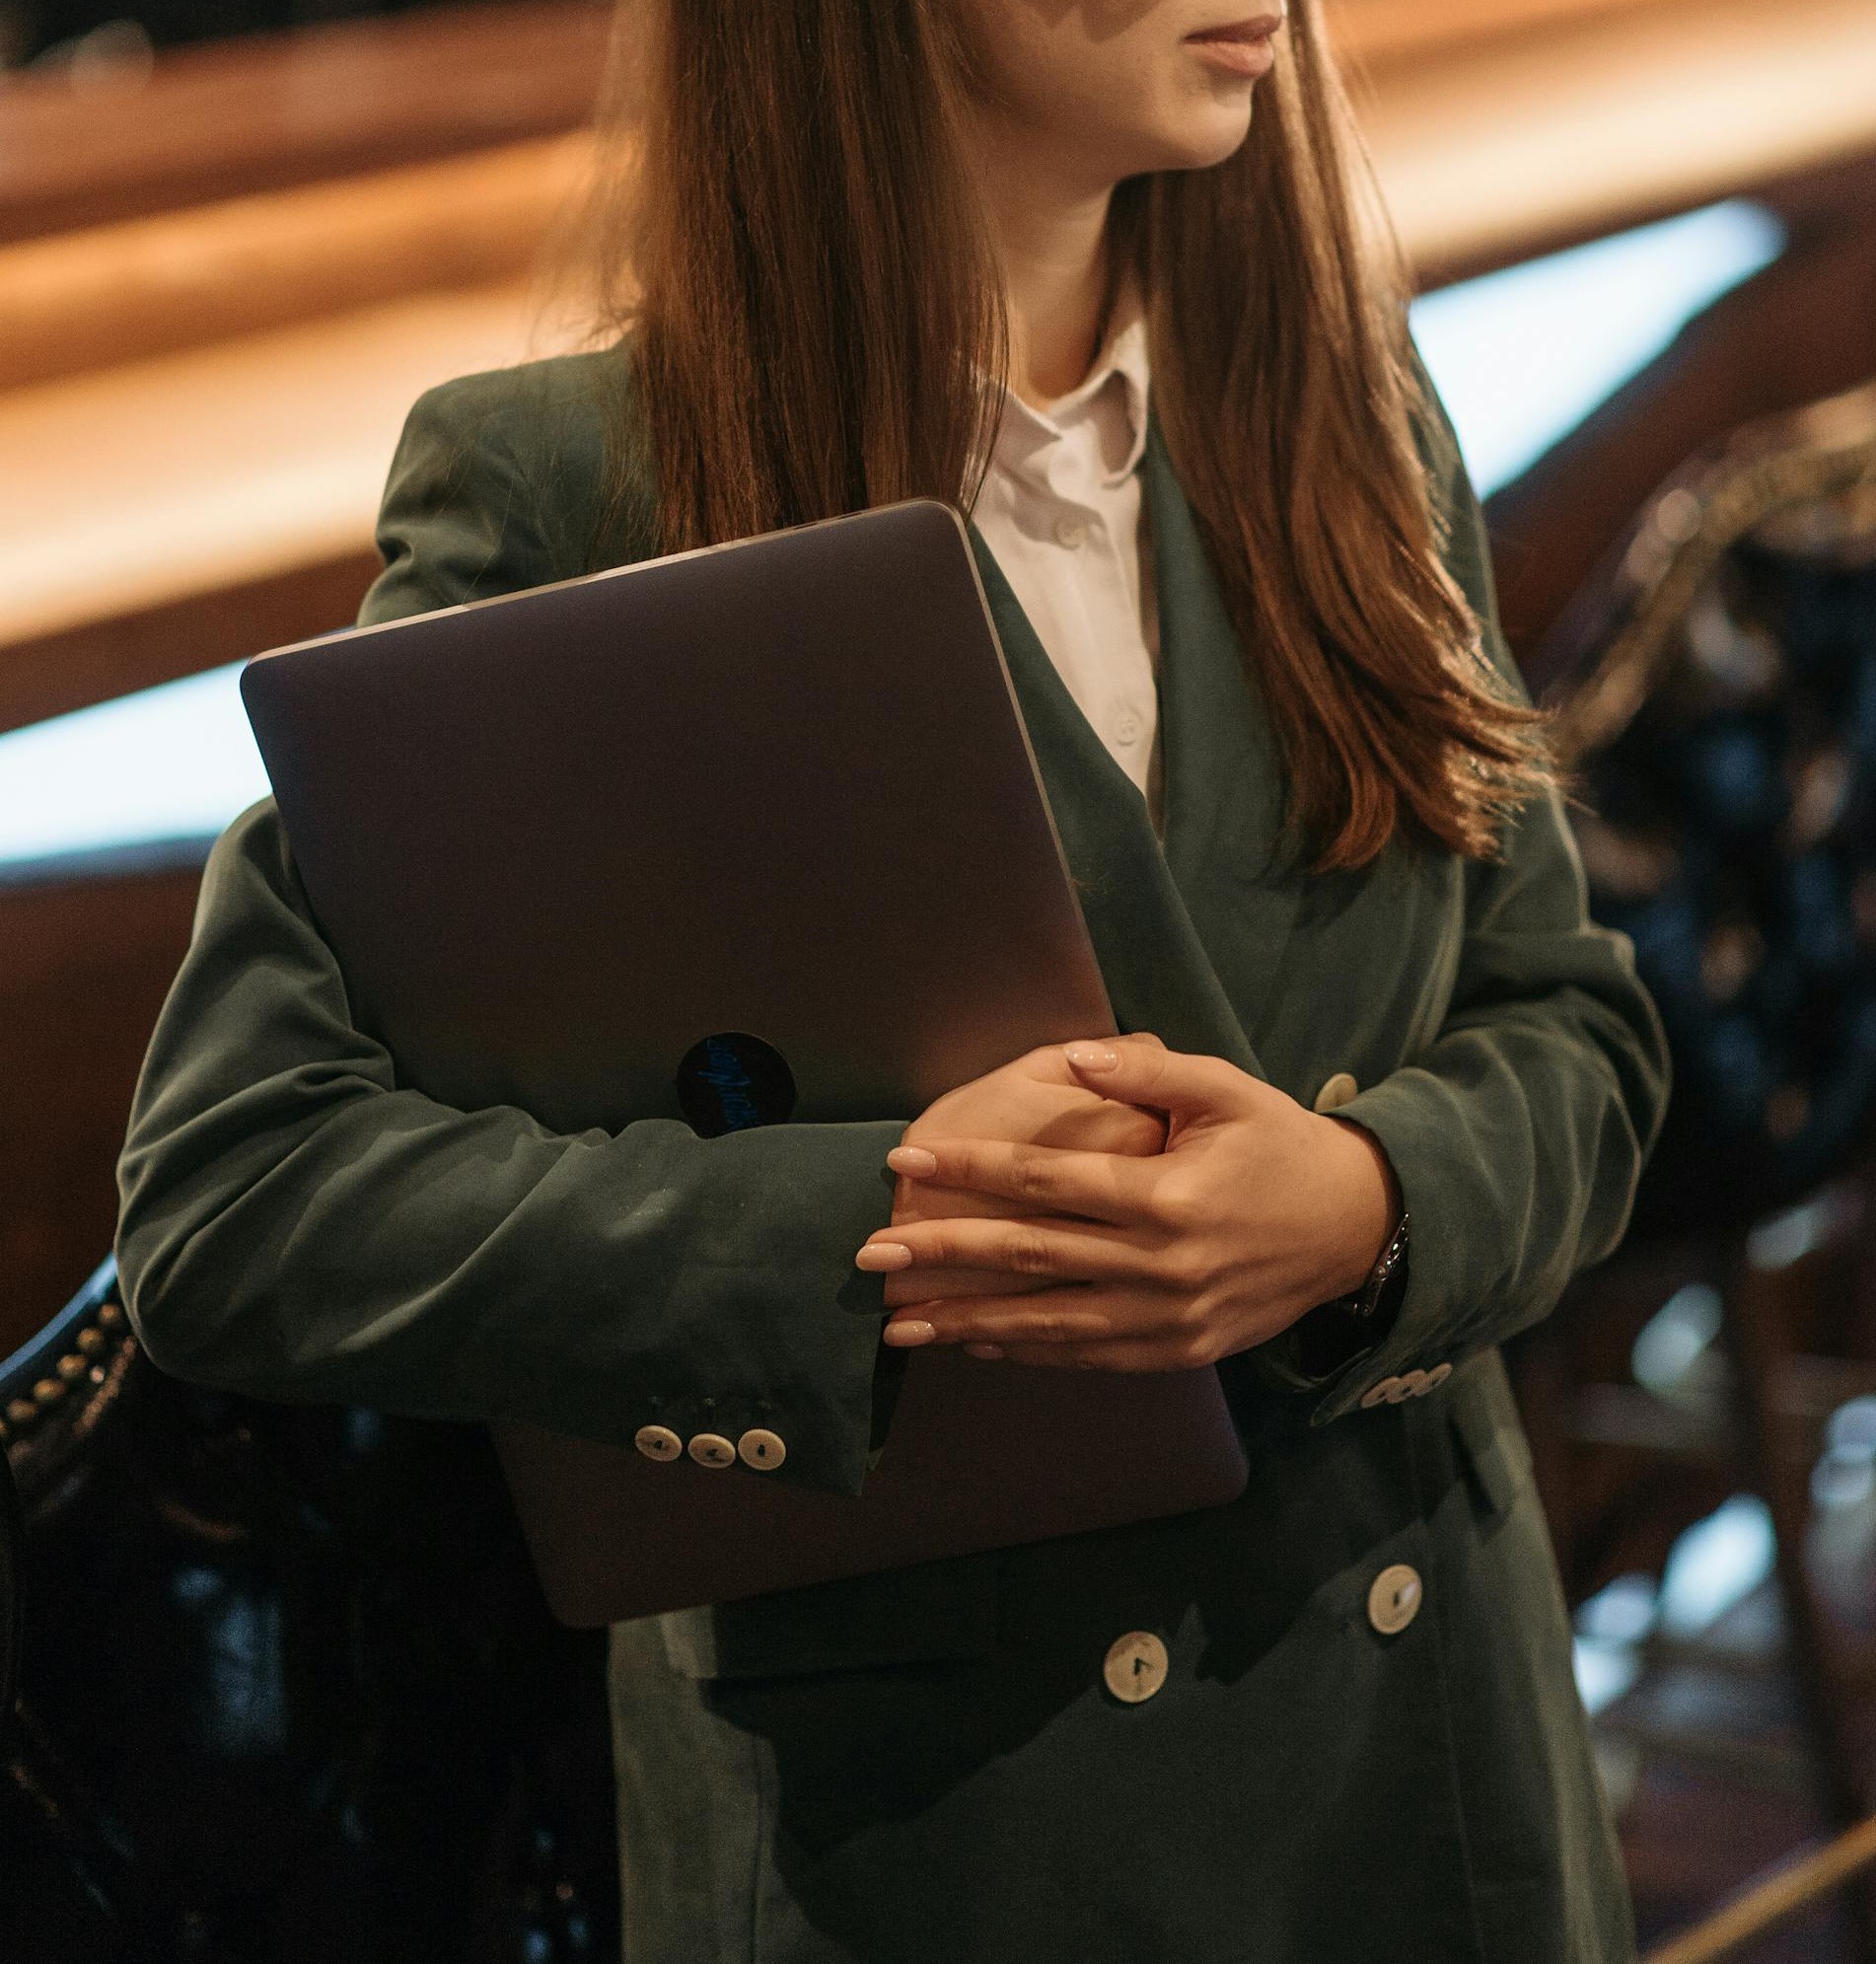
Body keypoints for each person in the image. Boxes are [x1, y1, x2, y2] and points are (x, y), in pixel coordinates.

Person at [114, 2, 1672, 1958]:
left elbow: (1579, 1034)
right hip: (939, 1836)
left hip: (1432, 1771)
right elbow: (239, 1195)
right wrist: (901, 1231)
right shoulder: (578, 491)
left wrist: (1370, 1207)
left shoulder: (1346, 405)